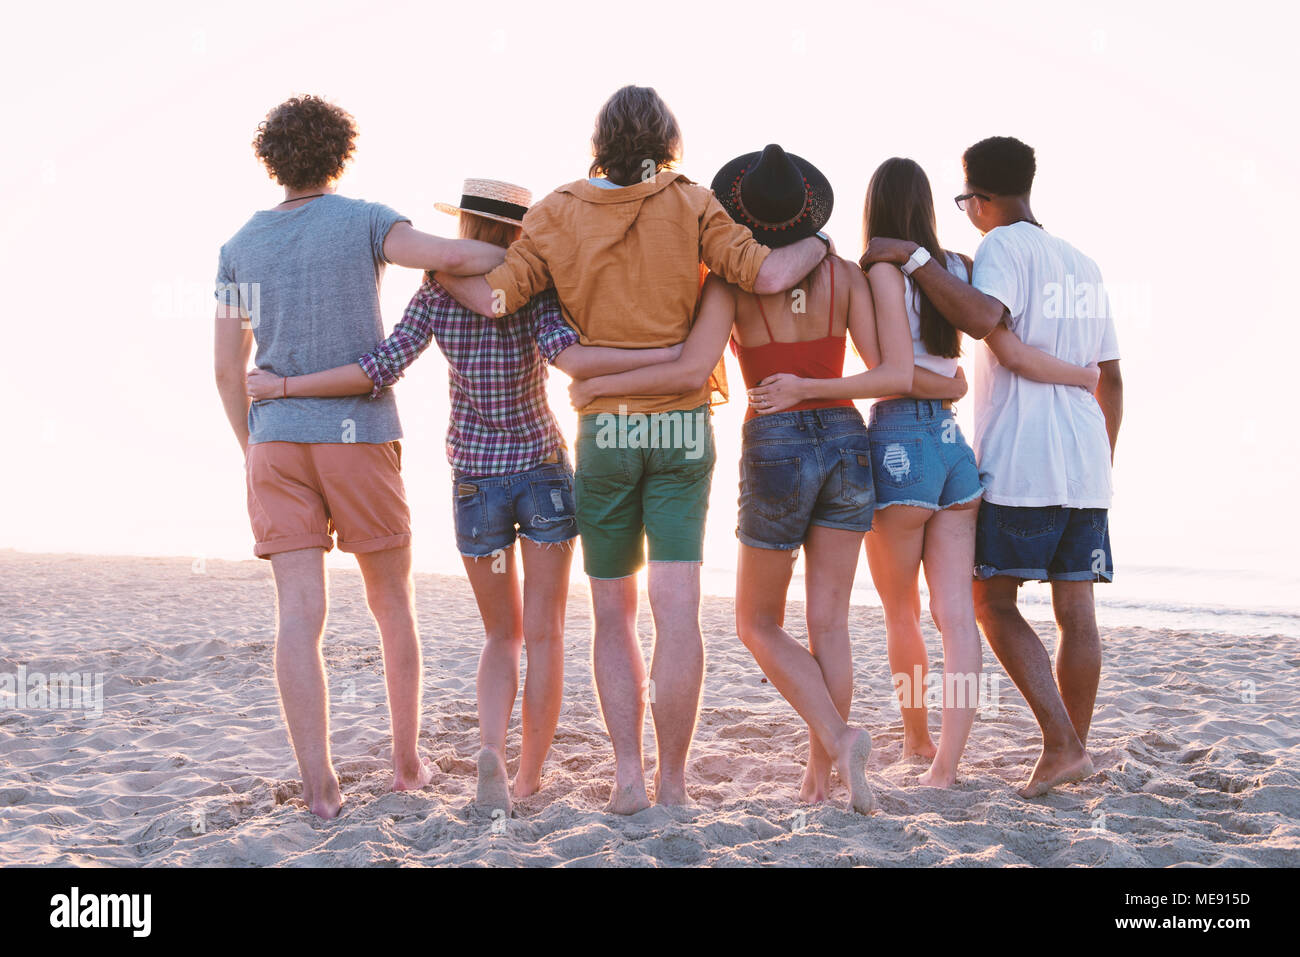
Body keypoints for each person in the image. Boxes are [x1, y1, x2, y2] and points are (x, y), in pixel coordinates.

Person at [437, 87, 834, 814]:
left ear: (600, 139)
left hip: (608, 435)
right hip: (682, 430)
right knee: (676, 610)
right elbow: (772, 274)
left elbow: (497, 299)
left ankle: (628, 778)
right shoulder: (692, 204)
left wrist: (438, 268)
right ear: (668, 139)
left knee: (614, 612)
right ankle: (675, 784)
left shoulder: (555, 212)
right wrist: (821, 240)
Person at [246, 179, 682, 816]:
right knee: (547, 634)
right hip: (540, 472)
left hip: (476, 481)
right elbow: (575, 360)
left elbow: (379, 367)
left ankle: (492, 757)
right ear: (518, 234)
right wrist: (669, 354)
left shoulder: (436, 293)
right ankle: (530, 776)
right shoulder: (535, 292)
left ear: (466, 231)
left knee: (500, 637)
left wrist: (285, 386)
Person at [570, 144, 942, 813]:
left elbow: (691, 369)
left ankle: (837, 735)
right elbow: (892, 371)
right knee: (829, 623)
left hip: (776, 441)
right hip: (846, 439)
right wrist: (822, 388)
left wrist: (600, 380)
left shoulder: (728, 280)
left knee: (755, 622)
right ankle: (819, 778)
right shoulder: (846, 276)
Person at [213, 95, 508, 818]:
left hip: (276, 438)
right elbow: (450, 256)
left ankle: (319, 789)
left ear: (272, 160)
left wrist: (256, 446)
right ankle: (407, 764)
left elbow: (227, 370)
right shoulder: (366, 220)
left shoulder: (239, 246)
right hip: (357, 435)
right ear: (340, 154)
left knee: (298, 615)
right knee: (391, 605)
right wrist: (524, 251)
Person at [759, 157, 1098, 788]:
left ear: (873, 209)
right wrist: (950, 380)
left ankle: (916, 739)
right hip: (954, 450)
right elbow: (963, 357)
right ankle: (944, 768)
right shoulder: (960, 268)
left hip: (899, 444)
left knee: (900, 612)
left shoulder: (881, 272)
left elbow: (889, 370)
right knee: (956, 614)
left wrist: (810, 386)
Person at [862, 137, 1123, 797]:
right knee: (1077, 612)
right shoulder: (1085, 263)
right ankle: (1072, 749)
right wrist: (1104, 458)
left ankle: (1061, 743)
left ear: (979, 200)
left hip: (1023, 456)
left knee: (991, 600)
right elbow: (1111, 378)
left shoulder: (1002, 247)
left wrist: (914, 256)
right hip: (1087, 461)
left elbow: (984, 321)